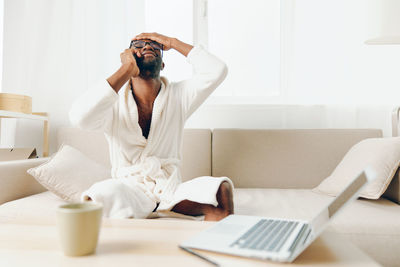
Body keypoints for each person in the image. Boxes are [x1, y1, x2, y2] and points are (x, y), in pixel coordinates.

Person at [69, 32, 233, 221]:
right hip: (130, 189)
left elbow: (217, 70)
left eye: (155, 47)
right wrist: (126, 69)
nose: (147, 47)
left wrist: (172, 42)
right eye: (138, 46)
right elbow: (79, 117)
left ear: (162, 64)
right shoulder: (112, 105)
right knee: (100, 193)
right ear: (128, 58)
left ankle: (212, 244)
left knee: (221, 189)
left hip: (170, 189)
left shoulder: (179, 97)